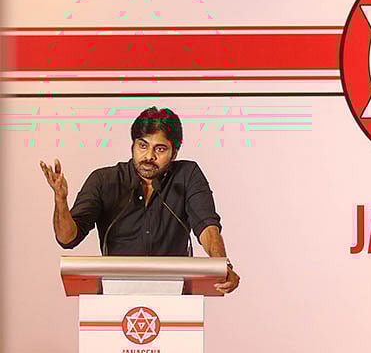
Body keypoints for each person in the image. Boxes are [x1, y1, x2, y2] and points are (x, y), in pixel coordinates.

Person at [39, 106, 239, 294]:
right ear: (132, 146)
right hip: (114, 298)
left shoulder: (187, 176)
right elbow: (67, 238)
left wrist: (222, 265)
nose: (149, 156)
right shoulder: (104, 180)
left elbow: (207, 228)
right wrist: (60, 201)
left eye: (160, 149)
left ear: (174, 154)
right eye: (143, 146)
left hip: (175, 298)